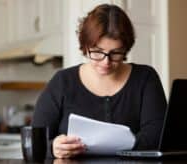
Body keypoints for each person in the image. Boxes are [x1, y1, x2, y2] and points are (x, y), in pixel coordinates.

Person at [32, 4, 167, 159]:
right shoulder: (62, 82)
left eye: (116, 53)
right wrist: (53, 147)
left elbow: (157, 137)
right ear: (85, 46)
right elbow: (36, 140)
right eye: (97, 52)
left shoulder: (145, 78)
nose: (106, 62)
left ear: (125, 49)